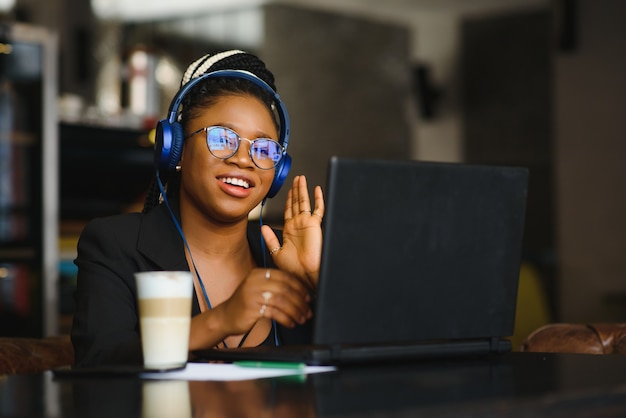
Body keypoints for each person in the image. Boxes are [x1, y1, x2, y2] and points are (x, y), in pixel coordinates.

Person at [70, 50, 325, 367]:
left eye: (263, 148)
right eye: (222, 138)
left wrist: (317, 280)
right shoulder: (115, 244)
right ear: (175, 149)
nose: (244, 160)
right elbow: (97, 363)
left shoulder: (286, 256)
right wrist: (220, 321)